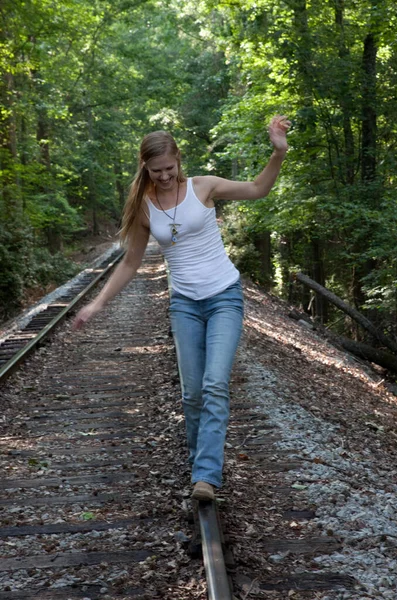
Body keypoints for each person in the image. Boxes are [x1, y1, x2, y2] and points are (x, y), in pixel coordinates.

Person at [73, 115, 290, 501]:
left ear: (178, 160)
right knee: (192, 395)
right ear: (145, 167)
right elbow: (130, 262)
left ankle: (206, 476)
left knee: (215, 384)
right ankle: (199, 469)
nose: (164, 176)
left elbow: (258, 189)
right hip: (184, 305)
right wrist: (98, 303)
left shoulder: (203, 187)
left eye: (169, 168)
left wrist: (278, 152)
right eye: (155, 171)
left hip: (224, 296)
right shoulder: (143, 207)